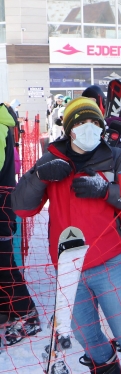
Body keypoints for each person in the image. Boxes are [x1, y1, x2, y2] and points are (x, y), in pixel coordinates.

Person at [12, 97, 121, 374]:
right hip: (68, 267)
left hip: (110, 260)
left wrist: (107, 190)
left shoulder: (117, 158)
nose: (87, 128)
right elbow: (22, 208)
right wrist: (38, 174)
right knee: (85, 334)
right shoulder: (53, 160)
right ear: (68, 129)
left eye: (93, 122)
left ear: (102, 126)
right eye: (79, 123)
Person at [0, 102, 39, 348]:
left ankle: (26, 313)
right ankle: (9, 309)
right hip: (4, 203)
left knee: (4, 262)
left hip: (1, 206)